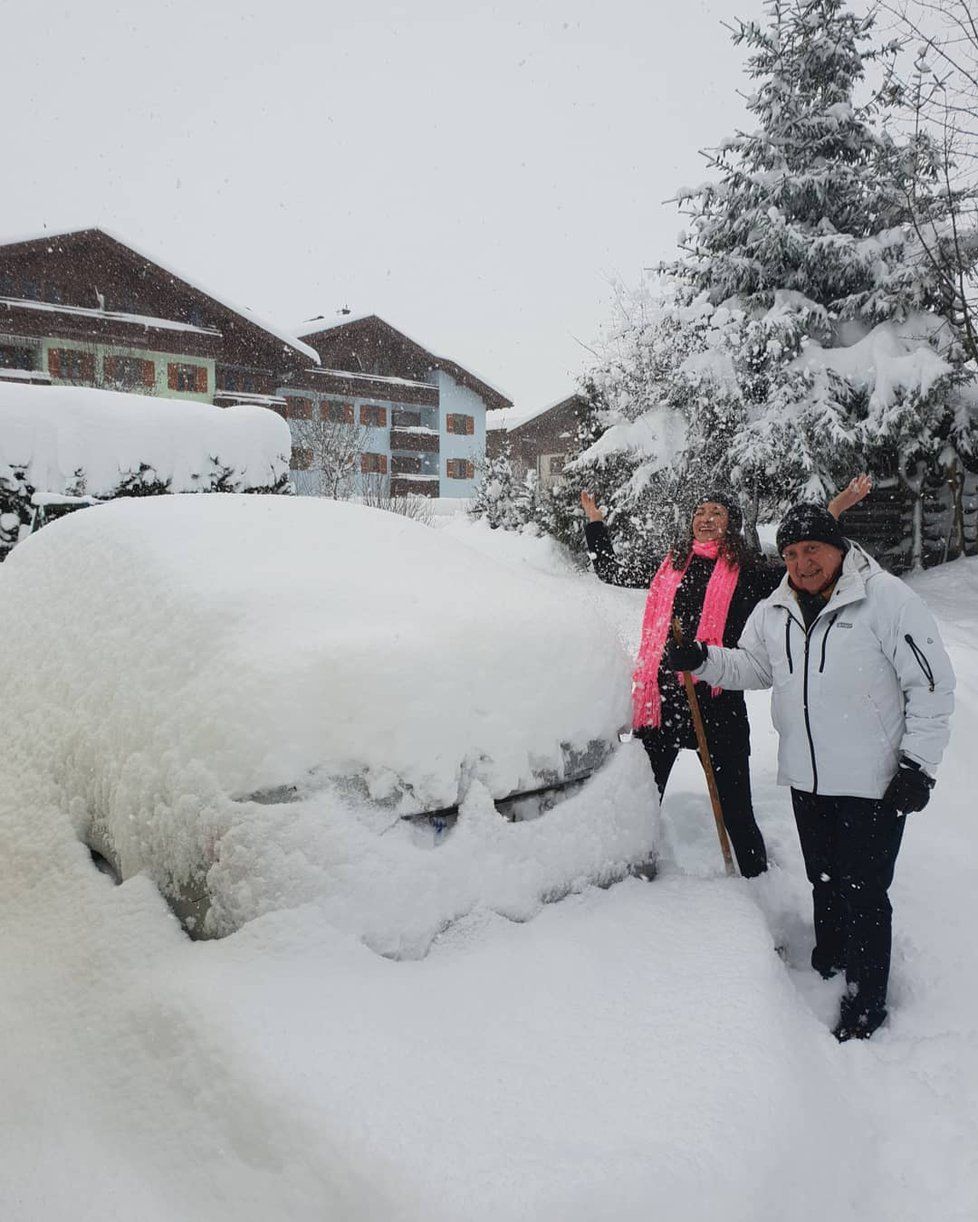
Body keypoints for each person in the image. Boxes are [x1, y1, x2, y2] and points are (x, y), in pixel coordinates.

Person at [665, 503, 954, 1041]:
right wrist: (701, 657)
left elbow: (931, 685)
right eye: (792, 554)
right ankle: (829, 963)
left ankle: (866, 1003)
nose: (802, 562)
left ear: (838, 547)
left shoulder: (886, 599)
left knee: (864, 889)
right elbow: (752, 667)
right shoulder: (775, 609)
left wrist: (919, 766)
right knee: (824, 880)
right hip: (807, 777)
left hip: (874, 781)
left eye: (812, 549)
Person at [581, 478, 870, 879]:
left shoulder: (747, 571)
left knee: (736, 810)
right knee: (642, 805)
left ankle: (758, 883)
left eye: (716, 512)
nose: (706, 518)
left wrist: (834, 510)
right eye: (700, 512)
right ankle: (635, 883)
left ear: (731, 522)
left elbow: (803, 571)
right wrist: (595, 521)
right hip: (662, 704)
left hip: (718, 704)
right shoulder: (670, 565)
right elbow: (611, 569)